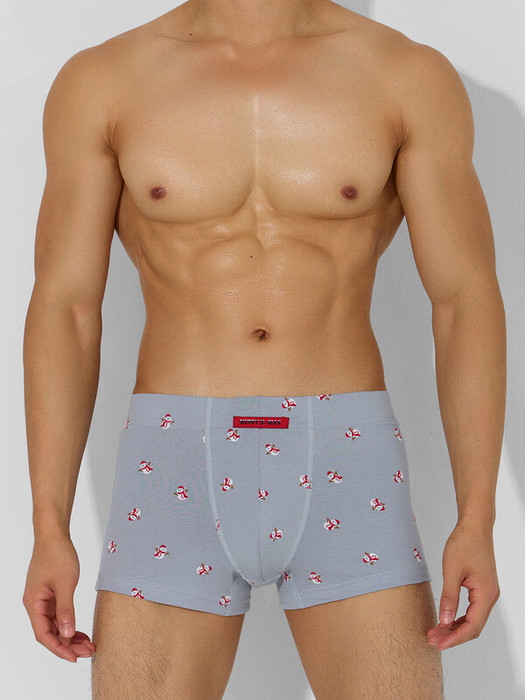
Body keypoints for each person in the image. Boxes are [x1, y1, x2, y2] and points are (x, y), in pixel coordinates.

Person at [22, 0, 505, 697]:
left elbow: (464, 301)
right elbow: (65, 308)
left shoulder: (404, 75)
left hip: (347, 453)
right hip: (173, 456)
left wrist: (477, 517)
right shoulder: (103, 81)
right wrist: (48, 524)